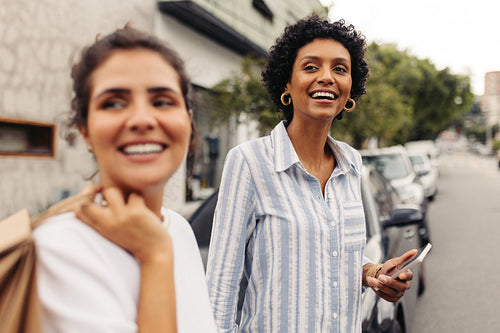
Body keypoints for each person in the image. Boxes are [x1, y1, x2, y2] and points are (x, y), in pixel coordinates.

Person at [206, 15, 416, 332]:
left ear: (349, 92)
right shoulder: (249, 162)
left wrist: (372, 274)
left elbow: (331, 252)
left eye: (340, 69)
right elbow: (220, 289)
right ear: (287, 84)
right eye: (310, 67)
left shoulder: (351, 163)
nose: (327, 77)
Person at [33, 25, 217, 333]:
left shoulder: (180, 231)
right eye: (114, 103)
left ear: (188, 120)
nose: (142, 120)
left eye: (162, 101)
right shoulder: (58, 250)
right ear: (85, 130)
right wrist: (156, 256)